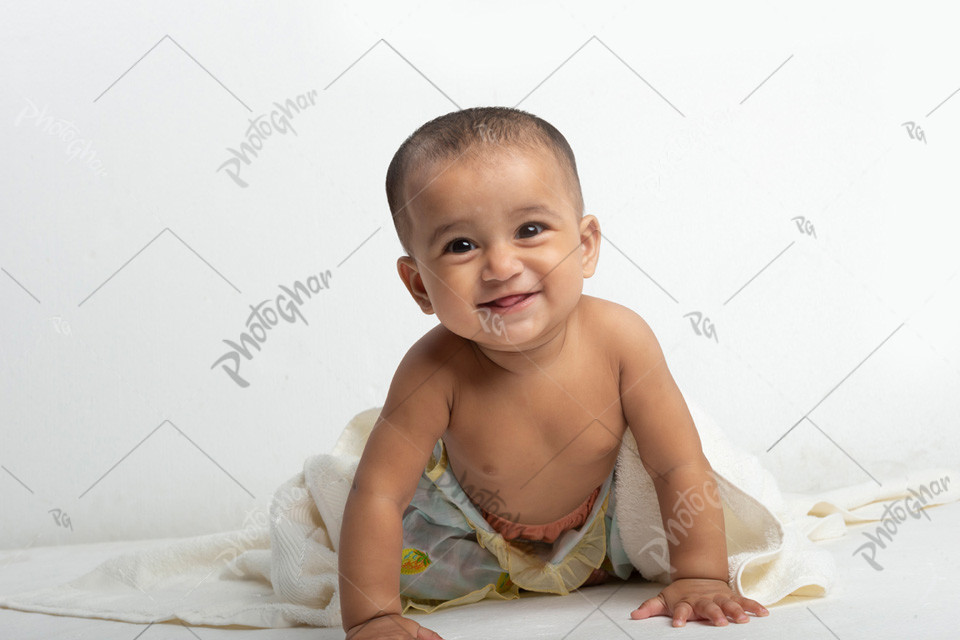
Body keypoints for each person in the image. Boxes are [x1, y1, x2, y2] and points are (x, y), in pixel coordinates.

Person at [338, 107, 768, 639]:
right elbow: (379, 494)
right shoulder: (433, 371)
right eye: (461, 245)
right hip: (468, 533)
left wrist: (701, 575)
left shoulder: (620, 339)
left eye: (530, 229)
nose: (500, 266)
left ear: (584, 246)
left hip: (602, 527)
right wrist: (373, 616)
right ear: (420, 285)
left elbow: (676, 464)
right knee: (379, 549)